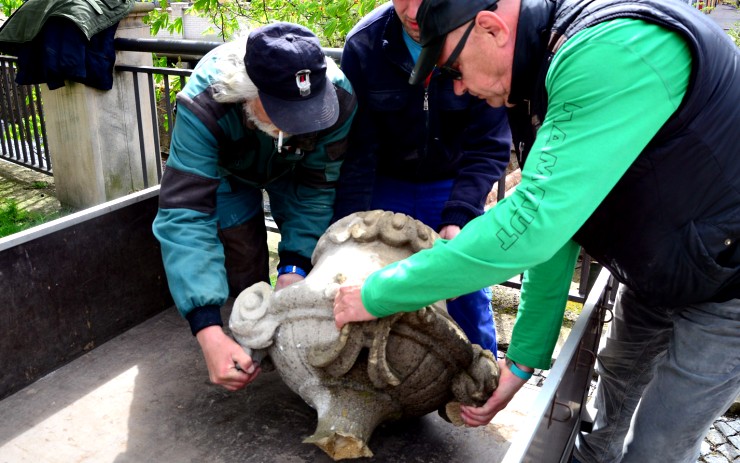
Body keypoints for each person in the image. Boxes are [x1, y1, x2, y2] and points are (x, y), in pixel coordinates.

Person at [332, 0, 740, 461]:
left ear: (490, 29)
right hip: (659, 263)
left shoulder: (610, 50)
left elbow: (532, 225)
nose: (460, 90)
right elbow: (559, 230)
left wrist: (376, 293)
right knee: (617, 379)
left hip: (727, 280)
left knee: (659, 441)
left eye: (455, 68)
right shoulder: (538, 68)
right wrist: (522, 361)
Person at [153, 22, 357, 392]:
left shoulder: (339, 100)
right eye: (288, 115)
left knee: (298, 280)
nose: (301, 125)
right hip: (227, 173)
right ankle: (225, 346)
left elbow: (316, 188)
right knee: (244, 271)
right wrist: (206, 328)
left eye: (310, 112)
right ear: (249, 93)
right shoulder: (205, 103)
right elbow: (185, 213)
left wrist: (295, 264)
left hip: (293, 169)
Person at [333, 0, 512, 354]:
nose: (414, 13)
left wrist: (461, 212)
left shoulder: (479, 35)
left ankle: (478, 385)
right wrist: (346, 228)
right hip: (387, 183)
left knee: (466, 289)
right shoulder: (364, 44)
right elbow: (358, 150)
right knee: (369, 280)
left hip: (454, 183)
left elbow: (489, 144)